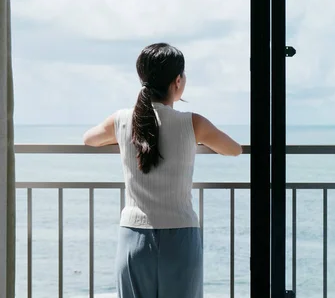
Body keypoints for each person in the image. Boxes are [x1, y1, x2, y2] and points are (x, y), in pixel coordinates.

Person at [82, 43, 242, 298]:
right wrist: (193, 139)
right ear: (177, 81)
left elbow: (89, 139)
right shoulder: (192, 122)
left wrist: (124, 139)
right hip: (180, 238)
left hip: (133, 238)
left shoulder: (123, 120)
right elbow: (234, 149)